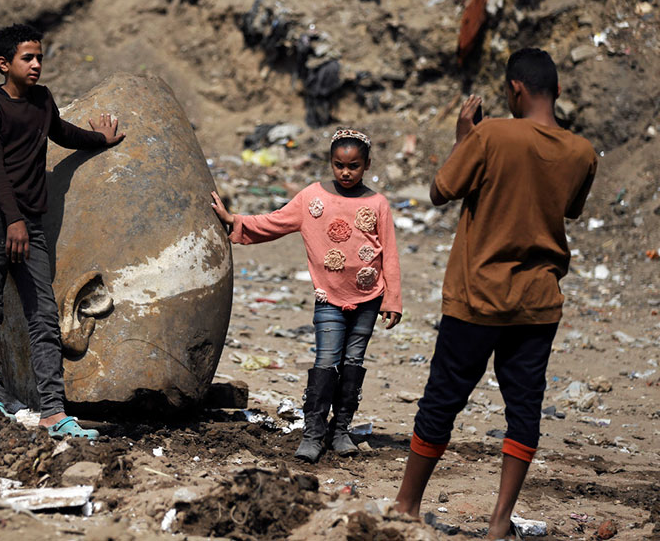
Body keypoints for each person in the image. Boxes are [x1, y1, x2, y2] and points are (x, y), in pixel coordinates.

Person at [393, 48, 597, 540]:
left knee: (442, 400)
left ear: (514, 90)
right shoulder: (582, 153)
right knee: (524, 409)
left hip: (476, 296)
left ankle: (406, 505)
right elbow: (566, 210)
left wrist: (465, 139)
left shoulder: (490, 136)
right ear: (558, 92)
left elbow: (442, 189)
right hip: (538, 301)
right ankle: (500, 522)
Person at [0, 23, 125, 439]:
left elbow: (62, 132)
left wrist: (100, 140)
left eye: (39, 57)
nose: (36, 65)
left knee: (43, 318)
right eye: (27, 58)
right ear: (4, 64)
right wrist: (13, 220)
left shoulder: (42, 100)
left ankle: (54, 412)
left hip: (29, 226)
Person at [211, 128, 402, 463]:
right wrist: (235, 222)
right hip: (328, 298)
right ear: (329, 162)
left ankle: (341, 430)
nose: (345, 172)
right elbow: (275, 222)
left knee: (353, 364)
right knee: (326, 363)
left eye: (354, 166)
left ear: (367, 165)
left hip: (370, 299)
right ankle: (313, 433)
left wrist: (392, 300)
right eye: (339, 165)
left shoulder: (377, 204)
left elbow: (390, 254)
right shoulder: (312, 198)